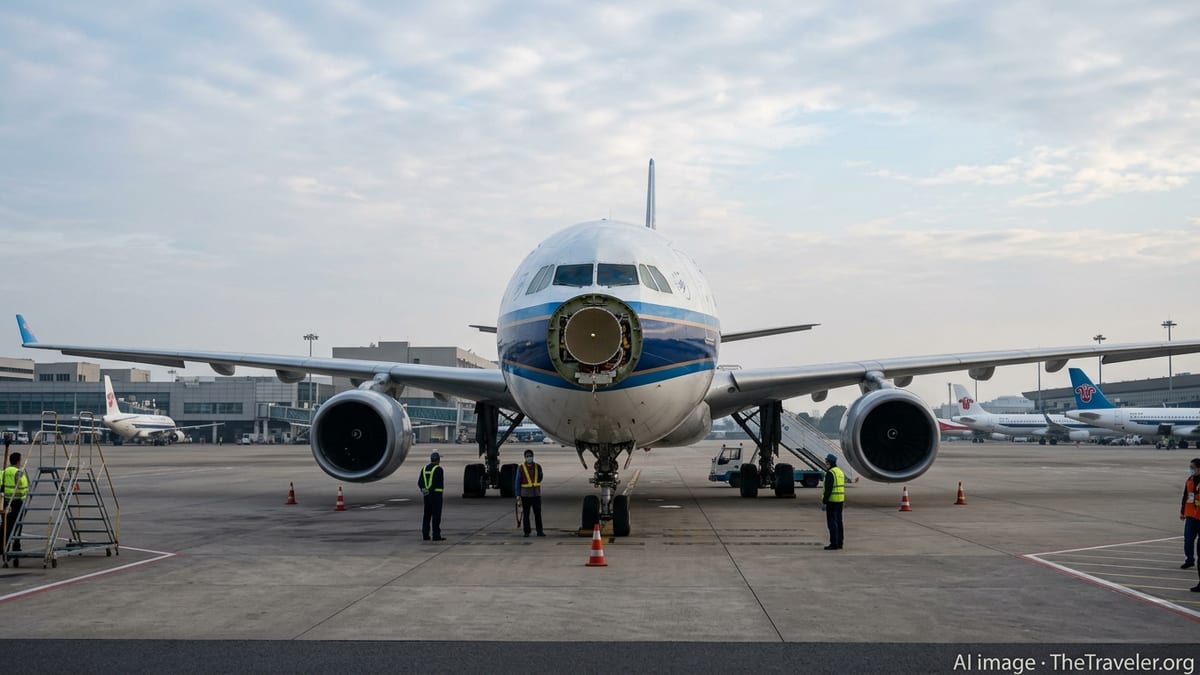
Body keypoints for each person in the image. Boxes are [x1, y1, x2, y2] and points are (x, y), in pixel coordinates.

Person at [2, 452, 28, 555]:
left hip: (6, 501)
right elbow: (21, 486)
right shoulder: (18, 472)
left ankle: (4, 546)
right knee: (17, 525)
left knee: (6, 525)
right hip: (17, 501)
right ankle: (16, 547)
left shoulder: (5, 471)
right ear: (18, 461)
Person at [517, 449, 545, 537]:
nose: (529, 458)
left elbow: (540, 477)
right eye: (527, 456)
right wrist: (518, 495)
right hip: (525, 495)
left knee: (538, 514)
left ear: (533, 456)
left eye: (530, 456)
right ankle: (527, 531)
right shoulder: (521, 468)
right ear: (525, 457)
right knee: (526, 514)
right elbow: (517, 482)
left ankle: (539, 531)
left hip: (536, 494)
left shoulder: (538, 466)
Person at [419, 450, 445, 541]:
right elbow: (439, 482)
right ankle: (436, 535)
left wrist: (424, 490)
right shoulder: (439, 469)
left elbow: (420, 482)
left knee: (426, 515)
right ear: (438, 460)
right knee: (436, 516)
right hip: (436, 495)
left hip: (426, 496)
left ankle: (425, 535)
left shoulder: (424, 469)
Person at [821, 453, 845, 550]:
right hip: (840, 501)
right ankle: (840, 543)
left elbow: (828, 489)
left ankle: (834, 543)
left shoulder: (830, 473)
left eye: (826, 461)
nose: (825, 463)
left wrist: (824, 501)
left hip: (832, 501)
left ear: (829, 462)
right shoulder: (839, 472)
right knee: (839, 522)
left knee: (832, 523)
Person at [1183, 458, 1200, 573]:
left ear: (1199, 469)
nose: (1190, 469)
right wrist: (1182, 511)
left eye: (1192, 467)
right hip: (1190, 515)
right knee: (1188, 539)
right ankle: (1189, 559)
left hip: (1199, 516)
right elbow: (1185, 496)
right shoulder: (1190, 480)